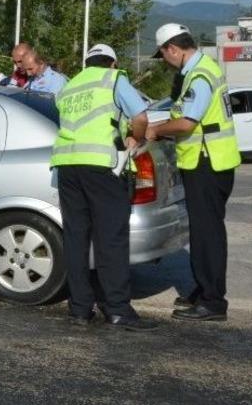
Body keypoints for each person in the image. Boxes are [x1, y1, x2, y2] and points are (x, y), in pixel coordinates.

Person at [51, 43, 157, 331]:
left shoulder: (70, 86)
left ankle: (80, 309)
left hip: (67, 167)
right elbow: (140, 117)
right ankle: (117, 308)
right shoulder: (113, 79)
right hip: (102, 167)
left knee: (75, 238)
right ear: (112, 62)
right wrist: (134, 139)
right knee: (110, 237)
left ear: (87, 63)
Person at [146, 23, 240, 322]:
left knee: (207, 234)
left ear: (172, 49)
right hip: (211, 161)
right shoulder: (204, 68)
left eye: (164, 56)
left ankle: (213, 301)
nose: (167, 63)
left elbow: (186, 123)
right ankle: (205, 289)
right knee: (204, 230)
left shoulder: (198, 76)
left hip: (206, 162)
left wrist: (155, 130)